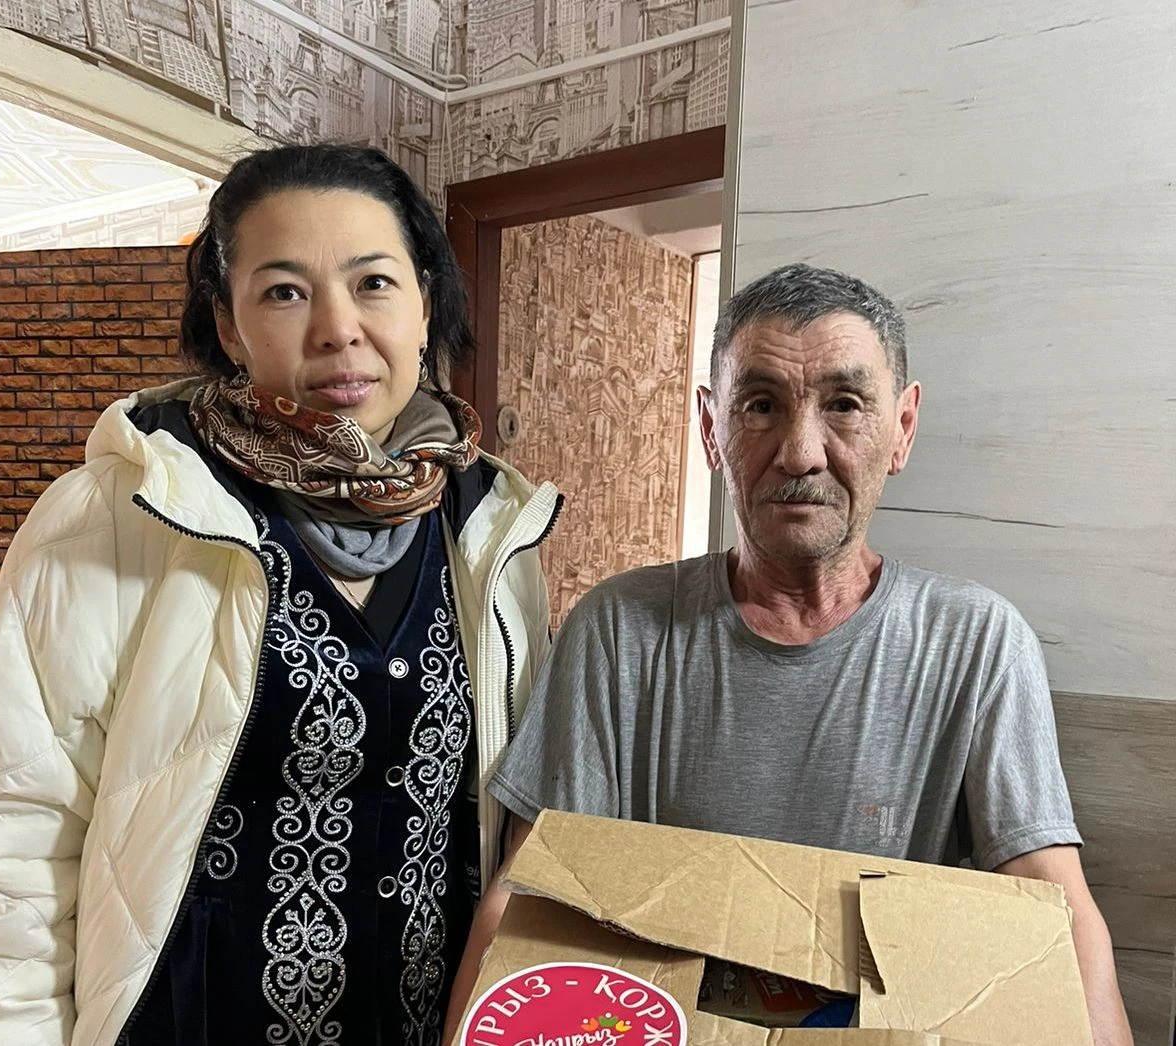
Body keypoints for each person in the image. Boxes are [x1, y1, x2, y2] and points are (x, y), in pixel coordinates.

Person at [0, 144, 560, 1046]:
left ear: (424, 305)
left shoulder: (490, 527)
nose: (337, 329)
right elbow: (9, 840)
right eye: (284, 292)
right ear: (228, 323)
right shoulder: (119, 514)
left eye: (373, 283)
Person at [460, 264, 1132, 1045]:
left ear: (902, 429)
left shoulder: (977, 644)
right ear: (710, 429)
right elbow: (528, 895)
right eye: (760, 406)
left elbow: (1055, 910)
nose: (801, 453)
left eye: (844, 404)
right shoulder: (618, 631)